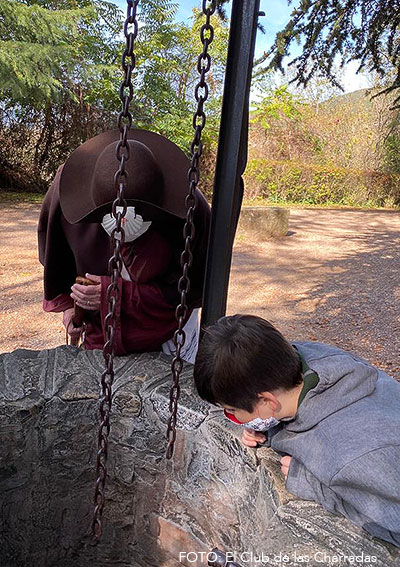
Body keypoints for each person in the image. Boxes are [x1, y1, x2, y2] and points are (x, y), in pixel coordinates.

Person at [193, 314, 400, 547]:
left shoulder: (355, 459)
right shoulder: (307, 357)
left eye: (231, 410)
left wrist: (314, 485)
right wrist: (265, 427)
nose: (231, 417)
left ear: (267, 402)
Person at [38, 129, 210, 362]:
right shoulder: (66, 190)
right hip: (99, 330)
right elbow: (56, 254)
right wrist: (70, 305)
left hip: (167, 329)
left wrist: (115, 294)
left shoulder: (190, 206)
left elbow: (191, 290)